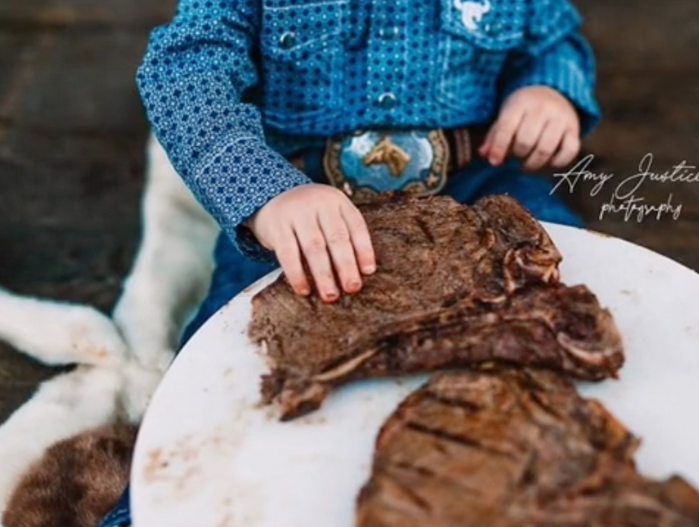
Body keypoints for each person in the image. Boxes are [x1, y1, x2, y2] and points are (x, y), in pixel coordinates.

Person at [99, 0, 600, 524]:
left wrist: (548, 90)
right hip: (303, 204)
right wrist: (264, 193)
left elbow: (551, 38)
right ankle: (152, 509)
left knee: (572, 293)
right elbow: (185, 71)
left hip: (474, 184)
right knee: (227, 363)